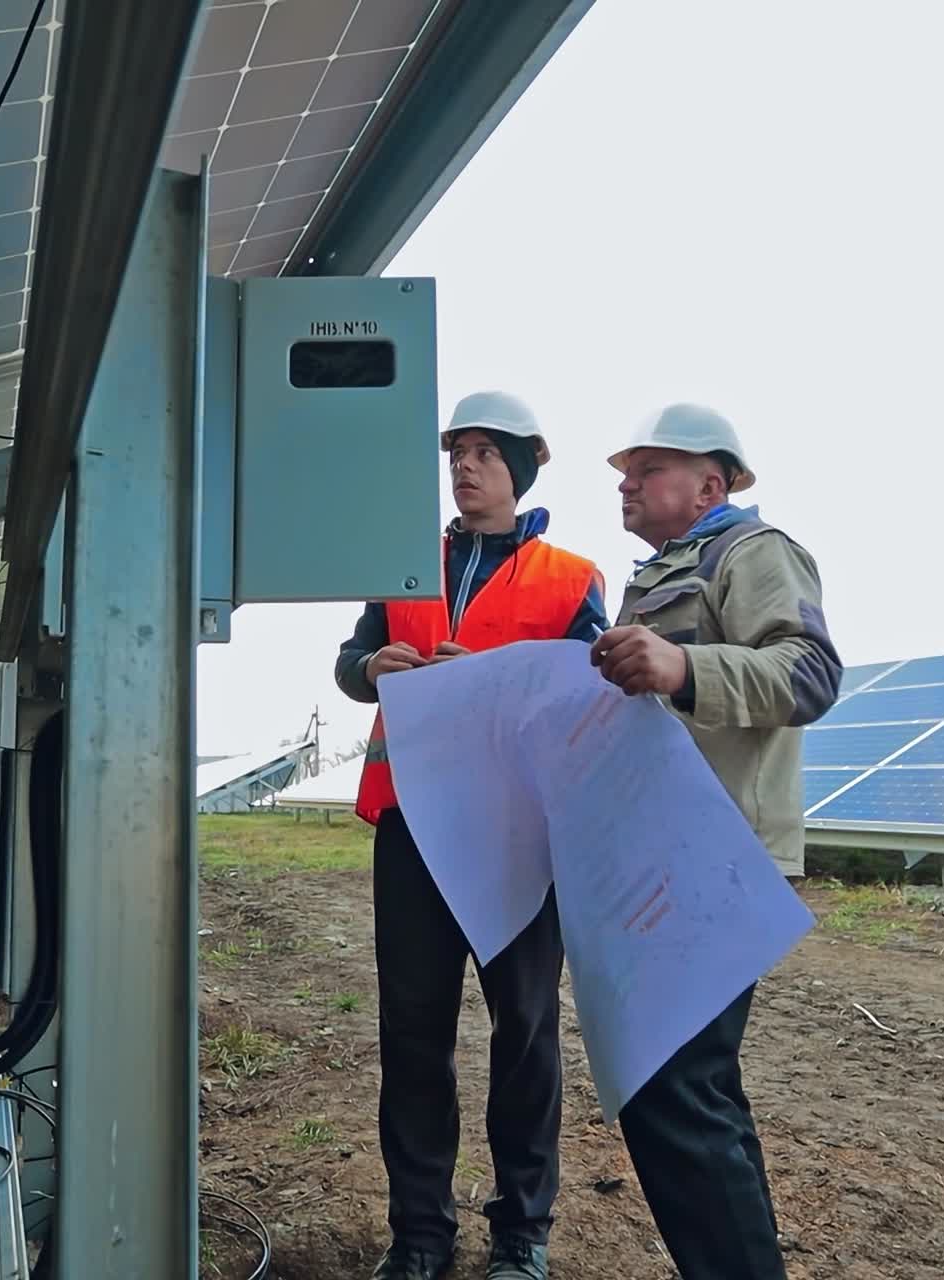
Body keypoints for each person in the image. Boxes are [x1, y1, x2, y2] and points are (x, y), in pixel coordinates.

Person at [336, 390, 608, 1280]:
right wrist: (369, 667)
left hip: (516, 832)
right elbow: (348, 664)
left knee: (524, 1031)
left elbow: (592, 695)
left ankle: (520, 1234)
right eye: (456, 451)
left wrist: (495, 680)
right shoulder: (400, 563)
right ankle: (420, 1235)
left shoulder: (573, 578)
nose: (464, 466)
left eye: (486, 452)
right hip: (413, 828)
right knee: (413, 1035)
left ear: (522, 468)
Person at [589, 403, 842, 1280]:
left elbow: (810, 673)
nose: (625, 481)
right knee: (687, 1090)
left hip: (721, 855)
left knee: (675, 1091)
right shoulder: (657, 576)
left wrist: (684, 665)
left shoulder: (753, 553)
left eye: (647, 468)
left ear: (711, 482)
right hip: (664, 852)